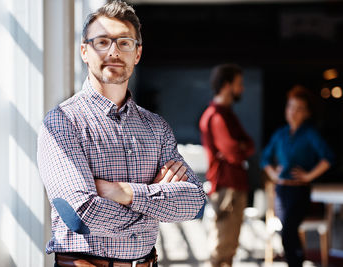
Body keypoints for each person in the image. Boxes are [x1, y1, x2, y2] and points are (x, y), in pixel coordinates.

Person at [37, 1, 206, 266]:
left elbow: (195, 202)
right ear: (84, 51)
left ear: (136, 54)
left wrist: (123, 192)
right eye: (102, 42)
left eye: (124, 43)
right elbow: (79, 215)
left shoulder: (156, 127)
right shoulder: (63, 122)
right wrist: (154, 202)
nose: (113, 51)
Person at [260, 85, 334, 267]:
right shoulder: (280, 134)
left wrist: (309, 176)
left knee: (289, 231)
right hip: (281, 190)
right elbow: (264, 158)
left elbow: (328, 157)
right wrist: (273, 174)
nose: (293, 112)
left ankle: (296, 263)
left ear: (307, 113)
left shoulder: (310, 134)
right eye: (290, 107)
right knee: (287, 231)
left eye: (299, 109)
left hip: (299, 191)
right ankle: (296, 263)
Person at [199, 64, 255, 267]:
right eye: (239, 84)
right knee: (222, 248)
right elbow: (234, 153)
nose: (242, 89)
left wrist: (241, 148)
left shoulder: (227, 114)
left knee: (229, 247)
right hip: (226, 188)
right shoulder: (216, 116)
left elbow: (249, 145)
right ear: (226, 85)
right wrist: (239, 148)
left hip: (234, 185)